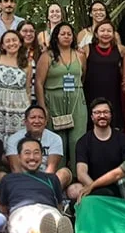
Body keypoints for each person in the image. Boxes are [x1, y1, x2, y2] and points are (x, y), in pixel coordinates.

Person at [36, 22, 87, 170]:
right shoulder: (47, 56)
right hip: (53, 100)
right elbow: (39, 82)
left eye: (69, 34)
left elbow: (83, 76)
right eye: (62, 33)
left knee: (77, 139)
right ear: (56, 36)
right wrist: (42, 107)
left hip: (76, 99)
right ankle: (58, 176)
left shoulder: (80, 55)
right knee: (58, 139)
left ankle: (77, 176)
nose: (66, 36)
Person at [0, 137, 74, 233]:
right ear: (18, 157)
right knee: (29, 226)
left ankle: (54, 231)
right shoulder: (8, 179)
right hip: (21, 211)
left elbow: (58, 206)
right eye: (27, 153)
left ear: (42, 156)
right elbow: (3, 209)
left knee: (54, 219)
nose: (32, 157)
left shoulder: (51, 178)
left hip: (48, 211)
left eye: (36, 152)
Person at [75, 98, 125, 198]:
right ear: (92, 117)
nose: (102, 116)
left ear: (111, 115)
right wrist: (95, 188)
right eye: (97, 113)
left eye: (106, 112)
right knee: (73, 190)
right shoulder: (83, 142)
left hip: (117, 185)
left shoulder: (122, 140)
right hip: (91, 184)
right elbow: (81, 173)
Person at [0, 30, 32, 142]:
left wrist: (28, 113)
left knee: (18, 143)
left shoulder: (27, 64)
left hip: (19, 110)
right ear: (3, 45)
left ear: (20, 43)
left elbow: (27, 90)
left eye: (14, 40)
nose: (11, 43)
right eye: (7, 41)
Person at [6, 106, 73, 188]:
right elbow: (15, 169)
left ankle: (48, 195)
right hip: (22, 179)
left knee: (65, 173)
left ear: (45, 122)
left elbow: (51, 168)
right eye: (33, 117)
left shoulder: (55, 138)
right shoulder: (14, 139)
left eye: (41, 118)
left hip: (45, 179)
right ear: (25, 122)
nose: (37, 121)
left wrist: (41, 186)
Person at [82, 20, 124, 130]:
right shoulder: (87, 48)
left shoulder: (120, 49)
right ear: (96, 34)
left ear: (114, 34)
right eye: (102, 30)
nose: (106, 33)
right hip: (91, 94)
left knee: (113, 126)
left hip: (113, 94)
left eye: (109, 31)